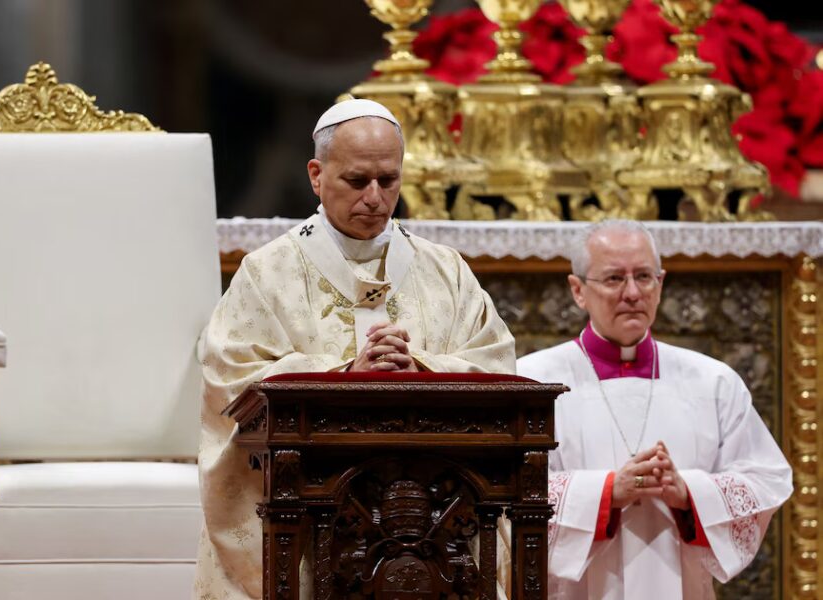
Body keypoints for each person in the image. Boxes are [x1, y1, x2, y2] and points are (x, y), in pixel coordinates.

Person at [193, 98, 516, 600]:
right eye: (356, 180)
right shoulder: (268, 271)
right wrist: (344, 372)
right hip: (310, 517)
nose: (375, 197)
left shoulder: (446, 270)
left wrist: (422, 368)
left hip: (435, 516)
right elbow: (230, 379)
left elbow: (497, 363)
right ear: (317, 175)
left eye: (388, 181)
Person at [514, 219, 792, 599]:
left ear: (660, 285)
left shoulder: (713, 381)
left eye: (644, 277)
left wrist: (689, 493)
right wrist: (608, 493)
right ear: (578, 290)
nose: (632, 293)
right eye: (614, 279)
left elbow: (767, 480)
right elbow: (506, 492)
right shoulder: (532, 380)